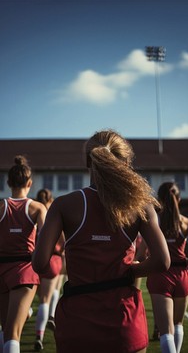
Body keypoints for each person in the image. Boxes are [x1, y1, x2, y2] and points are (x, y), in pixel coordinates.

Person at [32, 129, 170, 353]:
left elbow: (39, 263)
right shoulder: (141, 206)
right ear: (126, 162)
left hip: (77, 322)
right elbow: (163, 261)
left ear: (88, 161)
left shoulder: (64, 204)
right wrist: (132, 271)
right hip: (124, 321)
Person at [0, 155, 47, 353]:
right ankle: (25, 312)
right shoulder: (37, 207)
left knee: (5, 330)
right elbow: (45, 241)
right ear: (30, 183)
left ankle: (24, 312)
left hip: (1, 270)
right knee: (13, 335)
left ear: (8, 182)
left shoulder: (1, 206)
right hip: (24, 271)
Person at [146, 181, 188, 353]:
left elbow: (141, 254)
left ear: (159, 199)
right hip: (182, 275)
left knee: (165, 332)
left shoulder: (154, 222)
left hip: (160, 275)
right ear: (179, 198)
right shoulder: (186, 223)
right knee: (178, 325)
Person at [33, 189, 65, 352]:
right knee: (47, 297)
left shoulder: (33, 210)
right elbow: (64, 241)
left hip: (32, 260)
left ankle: (40, 315)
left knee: (37, 298)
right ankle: (40, 334)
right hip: (53, 259)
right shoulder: (54, 214)